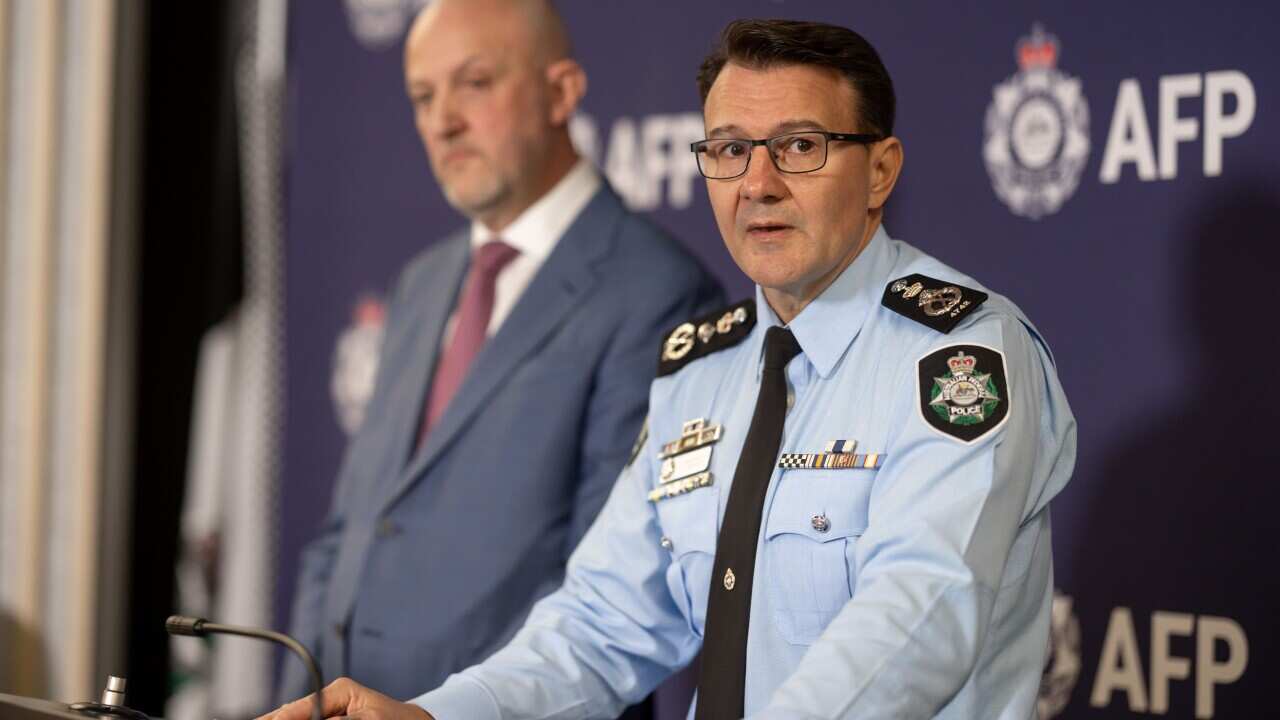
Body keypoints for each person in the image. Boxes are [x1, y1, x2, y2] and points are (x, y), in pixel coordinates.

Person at [269, 18, 1076, 720]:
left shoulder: (959, 356)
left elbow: (917, 619)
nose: (758, 184)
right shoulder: (703, 367)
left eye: (800, 146)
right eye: (729, 149)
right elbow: (602, 623)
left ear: (880, 171)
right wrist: (436, 715)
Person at [276, 0, 722, 705]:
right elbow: (347, 533)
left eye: (474, 82)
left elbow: (607, 594)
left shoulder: (661, 293)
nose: (442, 119)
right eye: (423, 96)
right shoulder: (421, 284)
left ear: (562, 91)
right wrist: (302, 690)